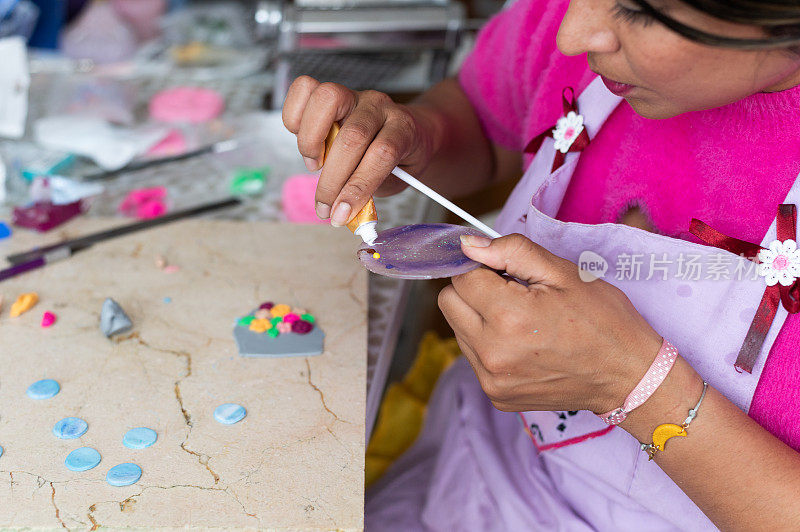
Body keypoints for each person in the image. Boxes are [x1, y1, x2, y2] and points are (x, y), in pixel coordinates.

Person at [282, 0, 800, 529]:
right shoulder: (562, 22)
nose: (572, 35)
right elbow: (483, 126)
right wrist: (414, 139)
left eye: (639, 11)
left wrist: (630, 387)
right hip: (470, 478)